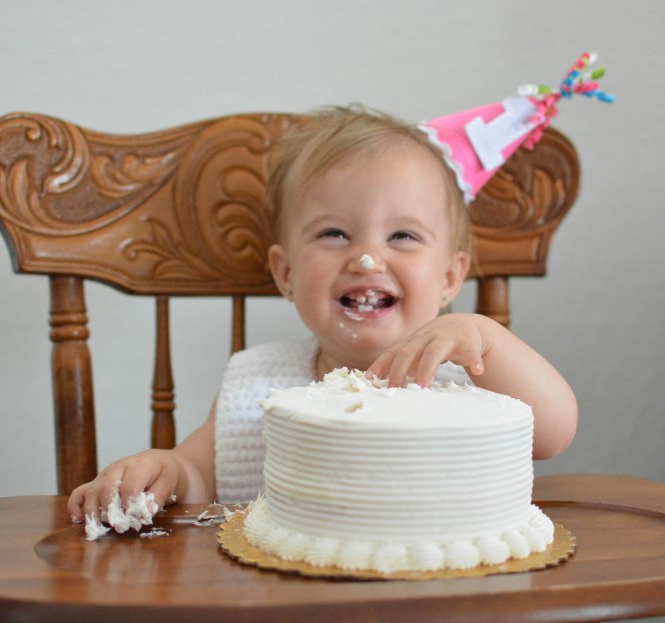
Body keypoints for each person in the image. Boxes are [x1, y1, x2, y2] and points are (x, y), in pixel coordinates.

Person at [67, 106, 578, 523]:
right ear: (286, 272)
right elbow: (199, 476)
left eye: (402, 235)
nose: (367, 259)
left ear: (450, 277)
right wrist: (164, 471)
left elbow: (554, 433)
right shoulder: (256, 382)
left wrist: (487, 335)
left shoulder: (471, 378)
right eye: (334, 234)